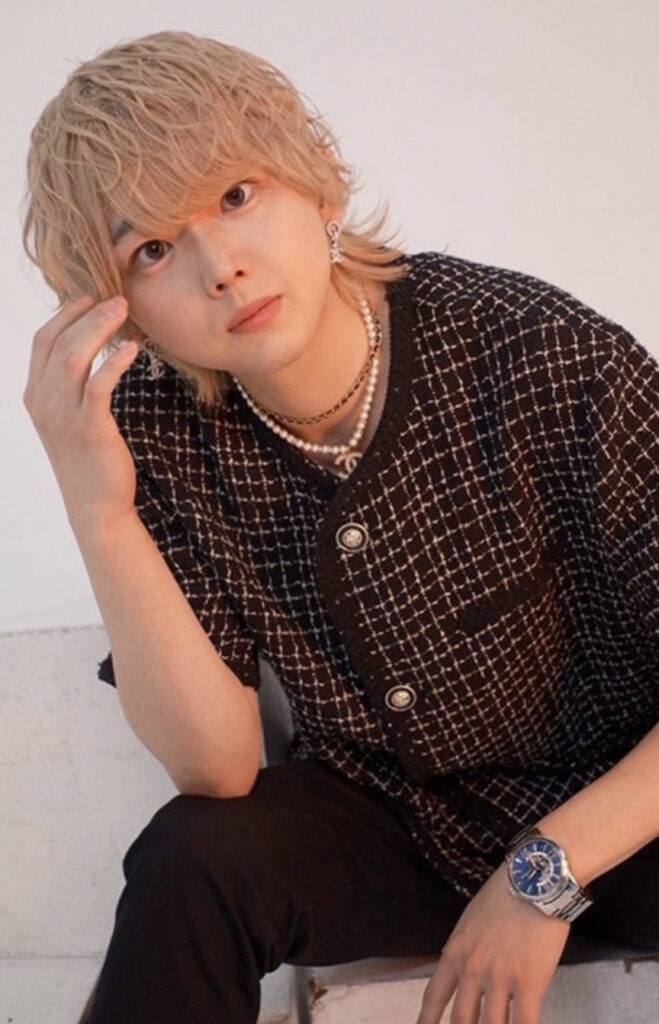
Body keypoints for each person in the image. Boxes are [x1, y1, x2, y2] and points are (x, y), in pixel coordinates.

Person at [22, 29, 659, 1024]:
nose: (219, 267)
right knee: (192, 859)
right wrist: (96, 506)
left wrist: (540, 875)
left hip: (621, 823)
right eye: (152, 249)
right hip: (393, 834)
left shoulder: (536, 348)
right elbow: (216, 768)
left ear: (317, 181)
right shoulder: (154, 427)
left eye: (236, 195)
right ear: (120, 309)